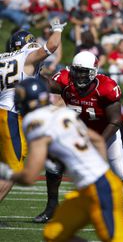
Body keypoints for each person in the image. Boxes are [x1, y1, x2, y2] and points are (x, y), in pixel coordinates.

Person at [0, 78, 123, 242]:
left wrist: (6, 172)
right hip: (89, 188)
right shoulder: (63, 112)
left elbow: (29, 177)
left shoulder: (34, 122)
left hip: (101, 188)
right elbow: (97, 140)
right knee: (54, 235)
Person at [35, 51, 123, 227]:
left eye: (84, 71)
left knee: (120, 170)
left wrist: (99, 143)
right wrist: (35, 72)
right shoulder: (66, 80)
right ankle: (51, 208)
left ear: (93, 72)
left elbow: (115, 120)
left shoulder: (106, 87)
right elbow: (49, 85)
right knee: (53, 164)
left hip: (108, 132)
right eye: (77, 71)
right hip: (80, 132)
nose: (79, 75)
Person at [0, 18, 66, 202]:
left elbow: (40, 81)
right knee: (13, 171)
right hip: (11, 116)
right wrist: (58, 28)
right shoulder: (25, 57)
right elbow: (52, 45)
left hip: (6, 113)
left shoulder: (3, 59)